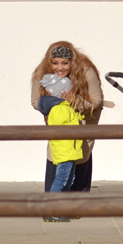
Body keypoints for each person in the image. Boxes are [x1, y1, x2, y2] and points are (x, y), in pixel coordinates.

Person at [30, 41, 106, 192]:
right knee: (58, 156)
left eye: (65, 63)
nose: (60, 68)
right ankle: (54, 208)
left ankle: (77, 205)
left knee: (79, 155)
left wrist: (75, 101)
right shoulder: (41, 73)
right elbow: (35, 101)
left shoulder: (86, 71)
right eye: (55, 63)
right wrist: (51, 103)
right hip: (59, 122)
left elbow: (97, 101)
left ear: (72, 61)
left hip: (83, 121)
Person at [37, 74, 87, 223]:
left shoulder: (64, 107)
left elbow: (70, 119)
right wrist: (79, 125)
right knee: (61, 179)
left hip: (69, 149)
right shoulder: (58, 109)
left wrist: (77, 118)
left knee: (68, 179)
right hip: (65, 150)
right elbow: (61, 128)